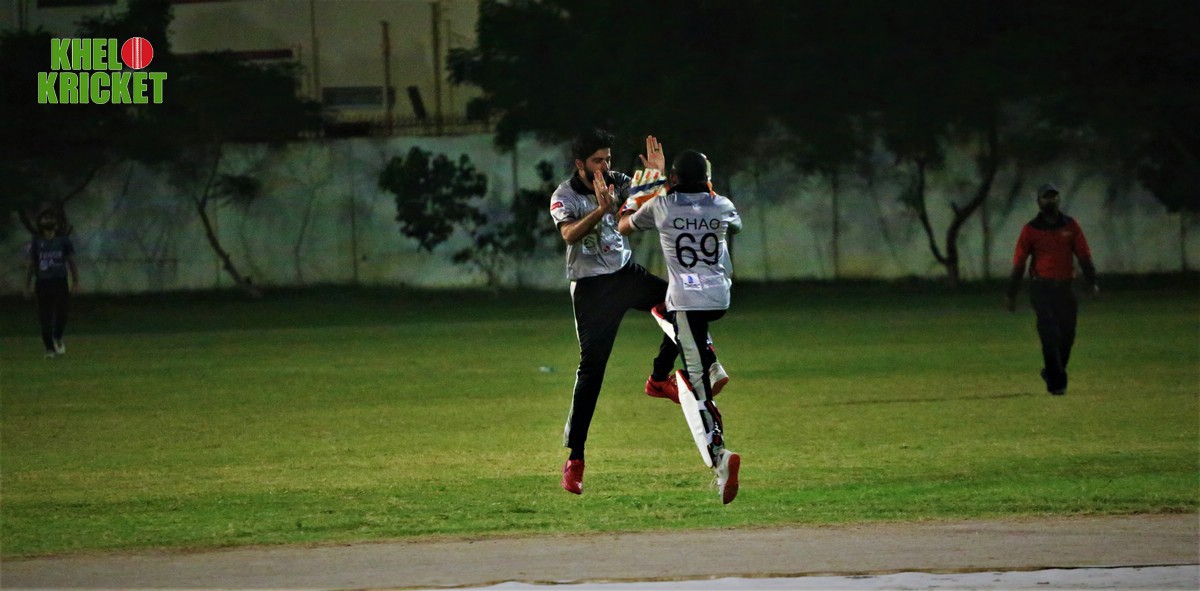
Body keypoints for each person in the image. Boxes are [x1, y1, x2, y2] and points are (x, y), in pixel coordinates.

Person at [549, 129, 727, 496]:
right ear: (580, 163)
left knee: (680, 303)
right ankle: (575, 458)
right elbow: (568, 235)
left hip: (625, 274)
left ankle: (659, 379)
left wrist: (657, 176)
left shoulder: (618, 181)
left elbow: (650, 200)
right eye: (597, 161)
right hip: (592, 289)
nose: (605, 166)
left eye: (608, 159)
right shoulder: (564, 195)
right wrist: (601, 209)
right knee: (592, 372)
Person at [618, 149, 743, 504]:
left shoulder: (662, 206)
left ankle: (720, 455)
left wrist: (649, 181)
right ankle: (672, 374)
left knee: (698, 387)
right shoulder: (722, 204)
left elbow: (623, 225)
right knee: (667, 315)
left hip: (687, 301)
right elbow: (734, 224)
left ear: (673, 179)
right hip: (718, 298)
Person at [1005, 183, 1098, 395]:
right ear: (1039, 202)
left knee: (1067, 336)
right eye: (1046, 197)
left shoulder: (1071, 226)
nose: (1051, 200)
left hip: (1065, 288)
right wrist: (1011, 294)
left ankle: (1051, 372)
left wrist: (1092, 281)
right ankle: (1057, 384)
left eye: (1054, 196)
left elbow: (1083, 254)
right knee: (1049, 334)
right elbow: (1019, 263)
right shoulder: (1030, 230)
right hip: (1042, 288)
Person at [24, 209, 80, 358]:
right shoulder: (36, 242)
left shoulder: (63, 241)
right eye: (45, 218)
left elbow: (71, 262)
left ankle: (57, 336)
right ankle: (49, 348)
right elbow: (31, 265)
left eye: (51, 218)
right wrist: (27, 285)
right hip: (43, 282)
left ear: (56, 225)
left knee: (62, 313)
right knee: (45, 316)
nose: (48, 220)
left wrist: (75, 282)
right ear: (40, 223)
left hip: (60, 281)